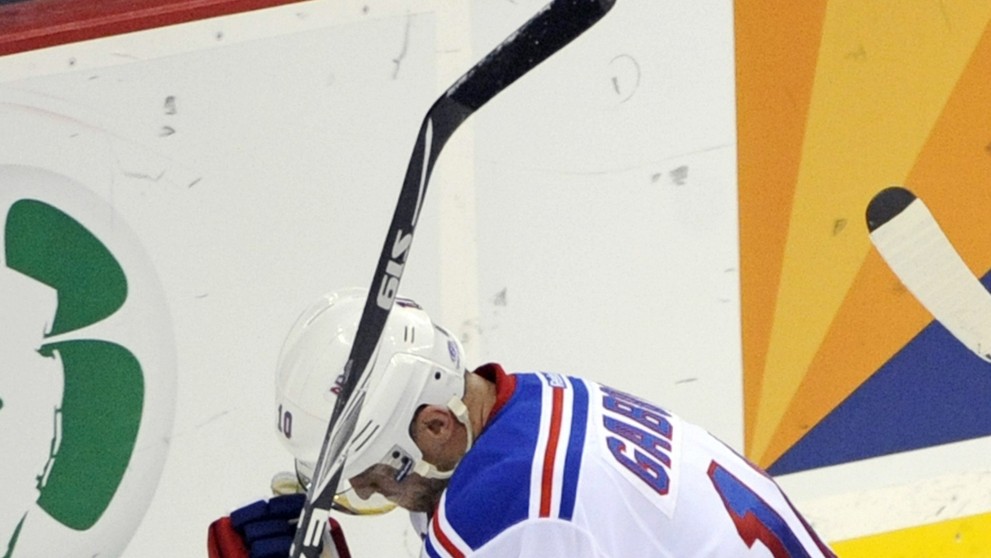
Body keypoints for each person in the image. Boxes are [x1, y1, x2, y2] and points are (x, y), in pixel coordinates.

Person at [212, 288, 837, 557]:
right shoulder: (535, 400)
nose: (378, 494)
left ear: (436, 427)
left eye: (375, 477)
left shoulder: (499, 508)